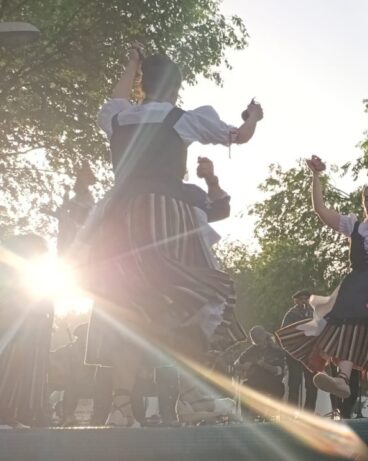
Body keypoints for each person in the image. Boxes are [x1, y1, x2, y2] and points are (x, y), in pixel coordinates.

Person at [82, 45, 261, 426]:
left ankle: (120, 406)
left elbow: (115, 97)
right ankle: (193, 396)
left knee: (128, 307)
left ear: (142, 85)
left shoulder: (117, 118)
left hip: (116, 220)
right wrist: (254, 118)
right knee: (194, 299)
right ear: (176, 88)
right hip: (165, 213)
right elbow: (239, 135)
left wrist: (131, 62)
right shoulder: (182, 119)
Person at [277, 156, 368, 419]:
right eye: (367, 201)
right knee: (348, 329)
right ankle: (344, 380)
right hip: (356, 285)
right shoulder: (354, 225)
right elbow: (321, 210)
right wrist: (316, 177)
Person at [0, 235, 54, 428]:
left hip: (26, 330)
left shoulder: (29, 273)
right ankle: (6, 412)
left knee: (22, 369)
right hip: (12, 329)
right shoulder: (8, 270)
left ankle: (21, 412)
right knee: (9, 367)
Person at [52, 324, 114, 426]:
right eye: (82, 337)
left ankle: (99, 417)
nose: (84, 340)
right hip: (76, 384)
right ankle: (68, 416)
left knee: (104, 389)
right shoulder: (70, 349)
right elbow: (56, 356)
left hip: (96, 385)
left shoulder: (99, 350)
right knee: (71, 386)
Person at [278, 290, 318, 412]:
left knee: (312, 384)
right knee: (294, 383)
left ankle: (309, 411)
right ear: (295, 300)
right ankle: (291, 412)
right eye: (301, 299)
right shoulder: (291, 314)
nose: (303, 301)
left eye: (306, 299)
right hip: (294, 353)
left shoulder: (314, 313)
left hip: (309, 353)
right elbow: (285, 333)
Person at [237, 326, 287, 405]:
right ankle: (245, 415)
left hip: (272, 382)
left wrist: (263, 365)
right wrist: (245, 366)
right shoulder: (252, 350)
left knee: (279, 389)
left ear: (264, 337)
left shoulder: (276, 351)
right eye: (255, 340)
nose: (259, 343)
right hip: (255, 381)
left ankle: (272, 414)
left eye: (259, 339)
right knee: (245, 386)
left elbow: (278, 371)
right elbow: (238, 363)